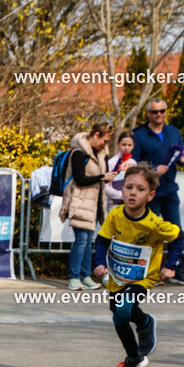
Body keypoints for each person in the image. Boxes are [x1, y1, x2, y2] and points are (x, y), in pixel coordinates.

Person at [93, 163, 184, 367]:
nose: (133, 192)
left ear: (151, 195)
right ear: (122, 189)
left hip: (143, 278)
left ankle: (145, 323)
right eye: (128, 187)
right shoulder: (115, 215)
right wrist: (99, 262)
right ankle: (134, 357)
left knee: (125, 307)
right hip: (118, 277)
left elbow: (179, 236)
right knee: (119, 319)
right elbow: (102, 240)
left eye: (140, 189)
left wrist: (171, 265)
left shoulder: (155, 224)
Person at [132, 98, 184, 286]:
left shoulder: (173, 132)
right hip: (150, 193)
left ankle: (175, 270)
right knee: (149, 233)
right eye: (154, 112)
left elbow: (179, 156)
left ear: (166, 112)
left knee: (176, 232)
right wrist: (152, 169)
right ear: (148, 114)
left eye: (162, 111)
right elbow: (133, 162)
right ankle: (145, 271)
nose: (159, 115)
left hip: (170, 191)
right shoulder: (139, 135)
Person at [60, 121, 116, 290]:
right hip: (79, 201)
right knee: (81, 240)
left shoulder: (100, 154)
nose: (106, 145)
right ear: (96, 135)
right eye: (105, 141)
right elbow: (80, 178)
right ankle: (74, 276)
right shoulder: (78, 152)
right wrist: (102, 176)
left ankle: (85, 275)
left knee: (89, 240)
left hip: (94, 203)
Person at [105, 130, 136, 212]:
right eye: (124, 144)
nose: (126, 147)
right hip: (114, 205)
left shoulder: (133, 163)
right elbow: (106, 186)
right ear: (118, 144)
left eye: (129, 145)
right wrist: (121, 195)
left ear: (133, 146)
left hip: (130, 205)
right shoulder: (111, 163)